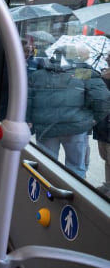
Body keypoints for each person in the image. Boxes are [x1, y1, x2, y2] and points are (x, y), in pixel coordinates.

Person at [27, 46, 110, 178]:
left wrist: (28, 119)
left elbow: (27, 99)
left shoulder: (38, 75)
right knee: (75, 167)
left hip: (46, 127)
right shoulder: (81, 72)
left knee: (45, 166)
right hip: (76, 128)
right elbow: (103, 98)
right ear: (74, 57)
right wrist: (93, 119)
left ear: (54, 56)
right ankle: (73, 195)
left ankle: (46, 195)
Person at [93, 52, 110, 196]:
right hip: (102, 125)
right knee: (105, 157)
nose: (107, 58)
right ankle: (108, 184)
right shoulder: (102, 77)